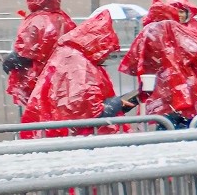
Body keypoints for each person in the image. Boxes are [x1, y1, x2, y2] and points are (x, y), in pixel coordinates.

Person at [20, 11, 132, 139]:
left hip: (58, 132)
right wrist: (115, 105)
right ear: (98, 43)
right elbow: (84, 110)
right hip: (69, 137)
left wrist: (116, 104)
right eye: (107, 50)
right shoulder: (76, 62)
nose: (107, 56)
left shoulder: (75, 56)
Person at [119, 0, 197, 129]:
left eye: (182, 11)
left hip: (170, 87)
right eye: (176, 11)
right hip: (180, 87)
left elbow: (133, 63)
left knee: (169, 122)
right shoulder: (172, 30)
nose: (179, 14)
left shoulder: (150, 32)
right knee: (186, 123)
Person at [2, 0, 76, 107]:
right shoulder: (65, 19)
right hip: (63, 76)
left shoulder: (37, 21)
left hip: (40, 77)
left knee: (41, 113)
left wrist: (10, 62)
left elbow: (26, 52)